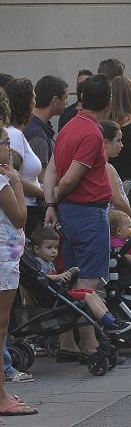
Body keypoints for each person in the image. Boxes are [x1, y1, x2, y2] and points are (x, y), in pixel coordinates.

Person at [44, 75, 114, 362]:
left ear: (81, 99)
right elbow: (71, 178)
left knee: (71, 278)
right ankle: (89, 343)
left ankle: (69, 342)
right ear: (109, 103)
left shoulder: (69, 126)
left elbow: (51, 170)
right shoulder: (92, 133)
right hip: (87, 211)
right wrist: (58, 196)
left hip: (69, 211)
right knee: (88, 281)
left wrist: (51, 203)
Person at [28, 226, 131, 334]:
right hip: (52, 297)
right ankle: (108, 323)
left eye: (56, 248)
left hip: (59, 293)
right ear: (36, 249)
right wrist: (59, 276)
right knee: (87, 296)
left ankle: (111, 318)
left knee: (91, 292)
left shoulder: (49, 262)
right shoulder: (38, 263)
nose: (54, 251)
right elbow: (40, 278)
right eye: (49, 248)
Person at [0, 126, 36, 417]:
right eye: (5, 142)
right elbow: (20, 216)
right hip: (3, 261)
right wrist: (16, 181)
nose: (10, 149)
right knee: (0, 327)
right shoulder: (2, 180)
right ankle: (1, 397)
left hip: (7, 257)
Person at [3, 79, 45, 236]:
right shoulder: (12, 134)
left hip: (28, 206)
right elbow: (13, 177)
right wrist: (46, 194)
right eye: (34, 97)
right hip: (23, 208)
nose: (36, 101)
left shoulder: (15, 133)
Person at [25, 75, 67, 173]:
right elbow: (41, 177)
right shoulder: (38, 135)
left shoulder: (31, 125)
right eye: (65, 98)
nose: (67, 103)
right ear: (55, 100)